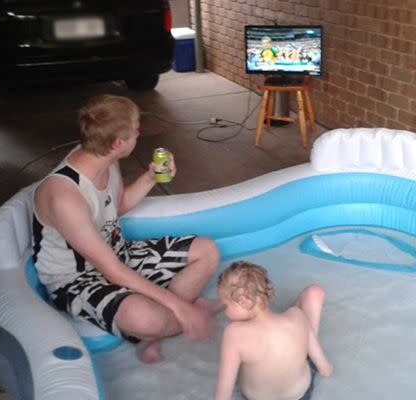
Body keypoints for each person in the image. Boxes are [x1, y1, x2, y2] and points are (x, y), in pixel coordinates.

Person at [32, 94, 220, 363]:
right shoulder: (64, 196)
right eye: (135, 130)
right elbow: (111, 271)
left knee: (207, 250)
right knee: (145, 319)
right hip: (77, 279)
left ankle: (162, 327)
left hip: (118, 254)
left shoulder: (105, 157)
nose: (139, 133)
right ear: (118, 143)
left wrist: (150, 177)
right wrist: (182, 308)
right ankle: (178, 318)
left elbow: (117, 206)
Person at [215, 260, 333, 400]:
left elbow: (223, 396)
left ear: (244, 301)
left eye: (225, 306)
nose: (225, 312)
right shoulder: (297, 315)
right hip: (301, 395)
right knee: (312, 296)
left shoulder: (233, 333)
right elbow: (325, 369)